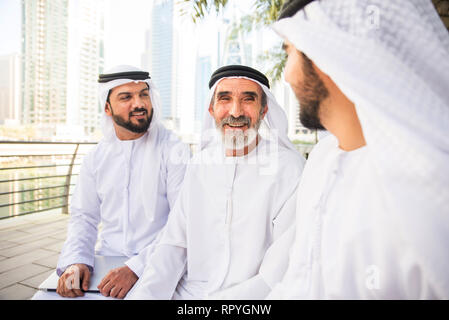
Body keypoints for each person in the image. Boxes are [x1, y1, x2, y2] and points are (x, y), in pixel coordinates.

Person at [267, 0, 449, 299]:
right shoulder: (322, 161)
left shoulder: (431, 187)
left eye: (290, 53)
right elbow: (300, 281)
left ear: (325, 55)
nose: (286, 76)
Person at [126, 65, 306, 299]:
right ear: (212, 109)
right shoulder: (199, 165)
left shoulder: (290, 169)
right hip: (191, 293)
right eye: (225, 99)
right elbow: (173, 245)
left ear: (264, 111)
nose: (236, 111)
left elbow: (277, 273)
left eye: (248, 99)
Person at [33, 65, 191, 300]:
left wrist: (136, 268)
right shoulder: (96, 158)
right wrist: (76, 262)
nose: (139, 104)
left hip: (160, 260)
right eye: (126, 97)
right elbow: (83, 217)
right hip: (106, 261)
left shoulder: (174, 150)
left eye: (144, 95)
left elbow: (183, 222)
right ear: (107, 107)